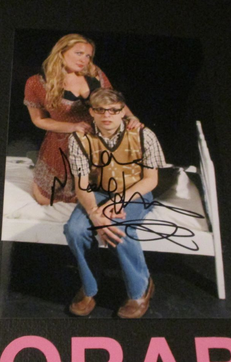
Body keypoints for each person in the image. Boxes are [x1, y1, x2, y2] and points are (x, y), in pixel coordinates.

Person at [64, 88, 166, 319]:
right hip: (100, 192)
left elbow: (151, 180)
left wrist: (118, 201)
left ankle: (140, 289)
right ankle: (90, 287)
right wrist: (94, 212)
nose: (107, 115)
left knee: (119, 227)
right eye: (100, 110)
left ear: (122, 112)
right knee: (75, 229)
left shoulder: (143, 135)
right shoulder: (79, 139)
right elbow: (82, 184)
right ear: (92, 112)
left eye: (113, 110)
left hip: (135, 192)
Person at [24, 34, 140, 205]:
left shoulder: (94, 73)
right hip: (63, 142)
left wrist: (131, 116)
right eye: (79, 53)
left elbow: (114, 102)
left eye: (88, 56)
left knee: (106, 191)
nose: (84, 60)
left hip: (99, 141)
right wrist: (73, 127)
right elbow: (39, 120)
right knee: (47, 199)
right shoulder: (36, 82)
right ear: (61, 52)